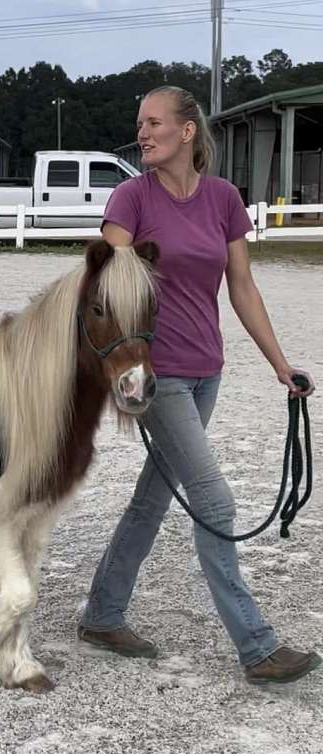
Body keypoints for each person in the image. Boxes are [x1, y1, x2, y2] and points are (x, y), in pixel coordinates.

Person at [77, 85, 321, 685]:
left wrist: (278, 363)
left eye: (153, 122)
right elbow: (112, 282)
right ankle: (257, 647)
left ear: (187, 131)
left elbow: (241, 287)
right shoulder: (130, 198)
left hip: (207, 371)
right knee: (213, 501)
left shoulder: (223, 199)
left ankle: (102, 613)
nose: (143, 132)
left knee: (154, 498)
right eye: (139, 123)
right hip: (157, 378)